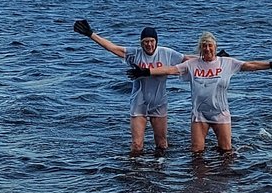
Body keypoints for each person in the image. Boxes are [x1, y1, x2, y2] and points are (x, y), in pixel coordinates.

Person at [128, 31, 272, 153]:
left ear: (215, 47)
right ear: (200, 49)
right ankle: (199, 188)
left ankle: (222, 187)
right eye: (204, 46)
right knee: (196, 153)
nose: (207, 49)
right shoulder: (192, 64)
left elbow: (250, 65)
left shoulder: (226, 62)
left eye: (210, 46)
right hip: (199, 116)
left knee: (226, 152)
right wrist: (146, 71)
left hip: (220, 114)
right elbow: (170, 69)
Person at [73, 19, 188, 155]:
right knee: (137, 145)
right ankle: (135, 167)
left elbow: (187, 60)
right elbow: (113, 48)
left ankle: (159, 166)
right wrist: (91, 34)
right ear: (141, 43)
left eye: (152, 41)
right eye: (145, 42)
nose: (149, 45)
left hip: (159, 103)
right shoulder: (135, 54)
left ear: (156, 41)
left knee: (161, 144)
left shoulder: (166, 53)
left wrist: (210, 58)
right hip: (139, 103)